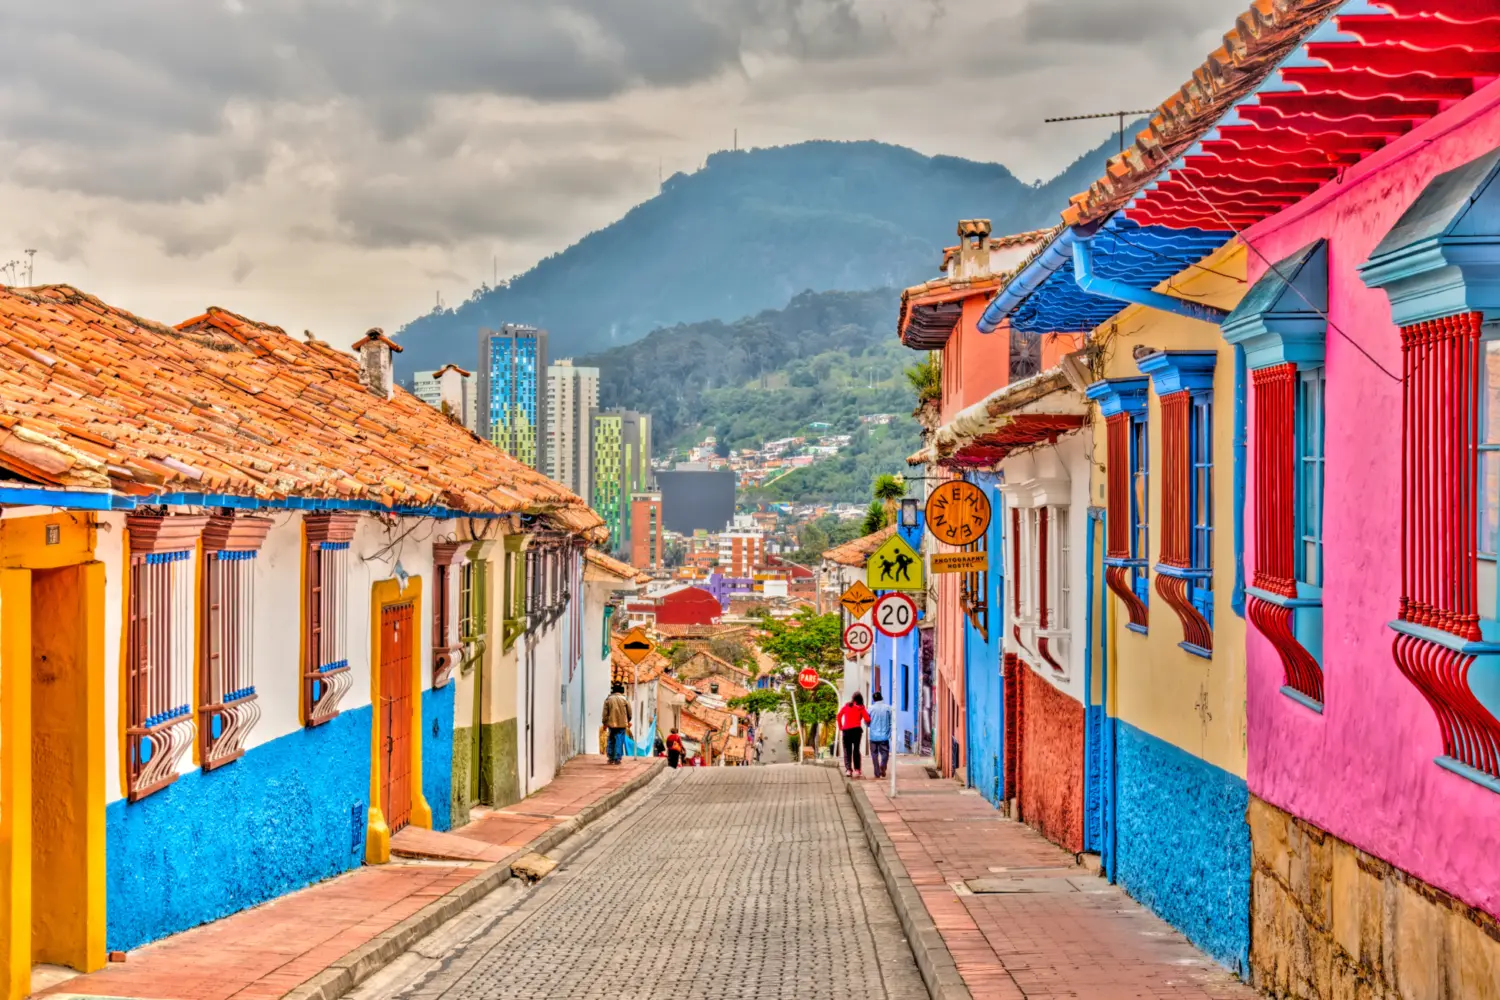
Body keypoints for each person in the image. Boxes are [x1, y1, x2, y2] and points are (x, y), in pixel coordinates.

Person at [837, 692, 870, 777]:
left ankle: (848, 770)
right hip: (856, 731)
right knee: (856, 750)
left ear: (853, 699)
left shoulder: (847, 706)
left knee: (847, 751)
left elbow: (839, 716)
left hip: (846, 731)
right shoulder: (861, 708)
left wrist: (841, 726)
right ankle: (857, 770)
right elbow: (867, 719)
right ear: (861, 699)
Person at [602, 682, 632, 765]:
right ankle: (617, 758)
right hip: (622, 724)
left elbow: (605, 712)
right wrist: (628, 720)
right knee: (619, 740)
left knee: (611, 739)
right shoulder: (624, 699)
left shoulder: (608, 699)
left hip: (611, 723)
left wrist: (604, 722)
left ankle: (610, 757)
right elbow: (629, 712)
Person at [868, 690, 893, 779]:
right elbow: (891, 721)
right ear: (882, 698)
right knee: (885, 753)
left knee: (874, 754)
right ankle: (883, 764)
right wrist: (891, 731)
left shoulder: (870, 708)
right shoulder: (888, 708)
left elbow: (867, 721)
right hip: (884, 736)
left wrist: (869, 725)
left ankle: (877, 772)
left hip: (873, 736)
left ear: (874, 700)